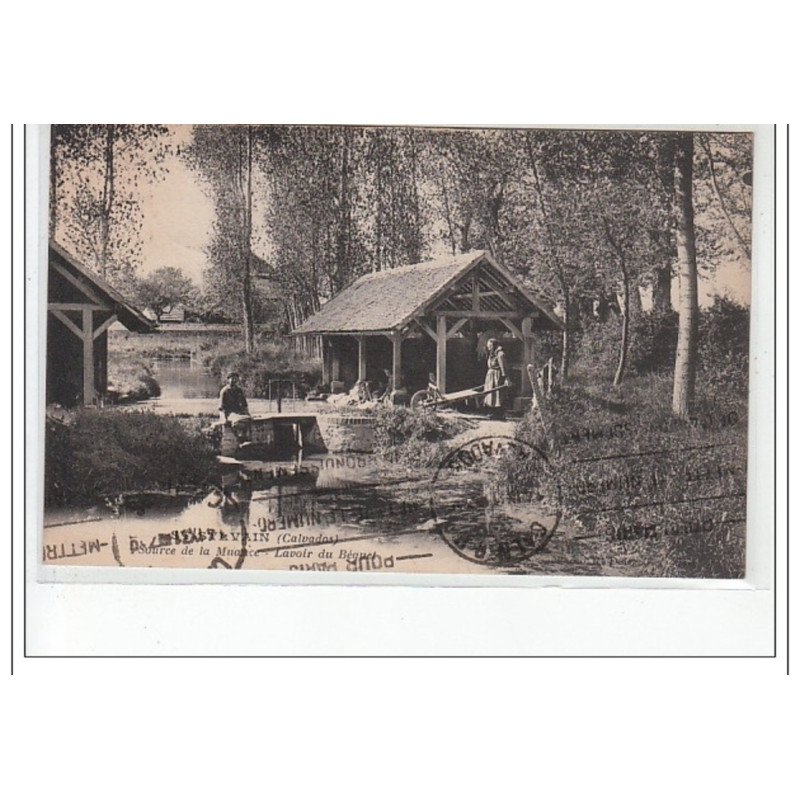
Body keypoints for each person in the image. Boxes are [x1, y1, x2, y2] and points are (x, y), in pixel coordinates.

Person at [219, 372, 251, 443]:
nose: (234, 380)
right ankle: (238, 439)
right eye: (232, 379)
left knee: (248, 421)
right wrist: (223, 418)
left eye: (235, 379)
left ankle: (246, 439)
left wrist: (247, 413)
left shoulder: (239, 390)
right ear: (228, 380)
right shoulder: (224, 391)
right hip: (229, 413)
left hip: (238, 412)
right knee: (237, 423)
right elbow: (221, 408)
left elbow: (244, 404)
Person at [483, 338, 509, 418]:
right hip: (490, 376)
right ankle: (492, 412)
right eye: (488, 346)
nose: (489, 348)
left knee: (497, 394)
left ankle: (499, 413)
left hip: (497, 376)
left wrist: (506, 378)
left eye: (490, 346)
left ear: (494, 345)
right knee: (490, 394)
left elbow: (503, 367)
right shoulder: (492, 354)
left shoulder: (500, 354)